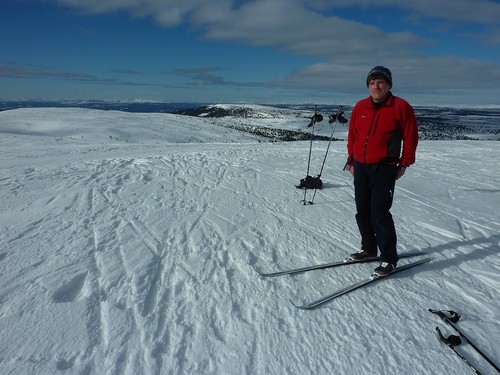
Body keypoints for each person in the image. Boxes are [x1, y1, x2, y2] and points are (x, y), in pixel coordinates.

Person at [345, 66, 419, 276]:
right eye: (372, 82)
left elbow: (411, 137)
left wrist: (404, 163)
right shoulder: (360, 107)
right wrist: (351, 160)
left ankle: (389, 258)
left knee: (379, 212)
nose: (376, 86)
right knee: (362, 210)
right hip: (360, 166)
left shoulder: (401, 107)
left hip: (385, 167)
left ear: (388, 85)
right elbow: (353, 136)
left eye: (380, 82)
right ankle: (368, 249)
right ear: (368, 86)